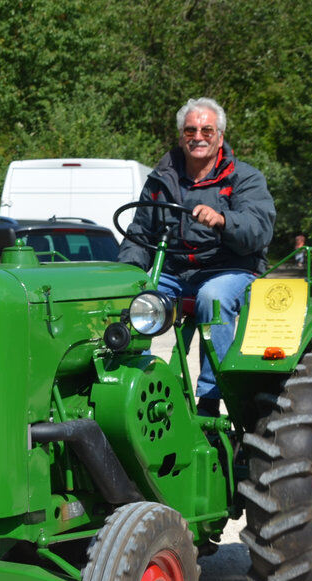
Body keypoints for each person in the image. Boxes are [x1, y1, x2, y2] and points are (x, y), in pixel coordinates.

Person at [119, 97, 276, 415]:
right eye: (190, 130)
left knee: (211, 297)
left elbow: (259, 230)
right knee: (131, 296)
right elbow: (139, 234)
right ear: (181, 136)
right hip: (175, 273)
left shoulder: (243, 178)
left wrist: (223, 220)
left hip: (230, 270)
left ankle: (211, 397)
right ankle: (129, 382)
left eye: (207, 129)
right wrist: (128, 275)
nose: (198, 136)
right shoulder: (159, 181)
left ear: (219, 136)